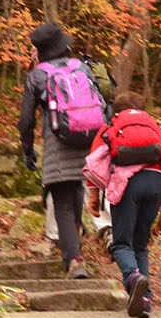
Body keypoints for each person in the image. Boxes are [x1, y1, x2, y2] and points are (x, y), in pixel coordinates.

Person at [18, 23, 109, 278]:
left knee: (62, 205)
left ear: (40, 50)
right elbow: (102, 103)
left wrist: (27, 150)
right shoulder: (81, 67)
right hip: (88, 141)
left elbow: (26, 120)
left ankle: (75, 260)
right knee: (76, 193)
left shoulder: (37, 75)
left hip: (58, 144)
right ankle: (75, 249)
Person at [82, 93, 161, 318]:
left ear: (116, 111)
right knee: (141, 245)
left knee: (121, 244)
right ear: (143, 110)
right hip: (157, 183)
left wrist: (94, 196)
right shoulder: (159, 130)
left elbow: (94, 162)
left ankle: (132, 277)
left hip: (127, 184)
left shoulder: (110, 127)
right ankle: (145, 300)